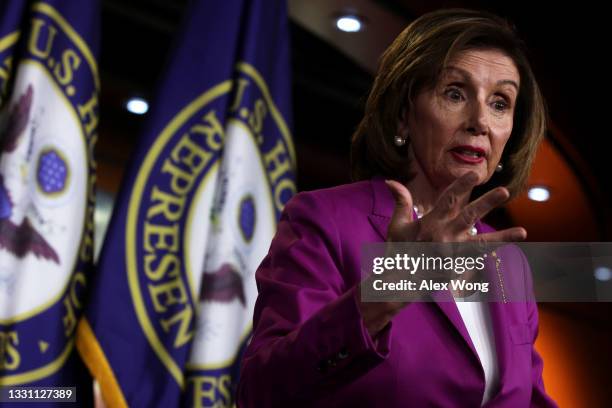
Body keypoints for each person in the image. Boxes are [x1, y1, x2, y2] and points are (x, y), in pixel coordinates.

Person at [237, 8, 557, 407]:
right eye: (455, 93)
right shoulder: (325, 220)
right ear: (404, 114)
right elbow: (261, 391)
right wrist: (388, 289)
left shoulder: (508, 262)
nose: (480, 121)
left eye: (500, 103)